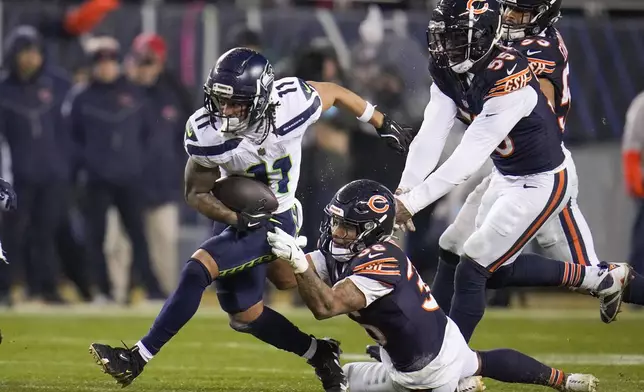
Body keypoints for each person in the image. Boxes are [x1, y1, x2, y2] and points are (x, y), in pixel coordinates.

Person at [88, 47, 414, 391]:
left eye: (236, 103)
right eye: (220, 100)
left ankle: (136, 358)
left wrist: (381, 122)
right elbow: (196, 194)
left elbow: (334, 92)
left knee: (197, 269)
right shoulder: (206, 131)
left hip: (279, 216)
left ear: (261, 98)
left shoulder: (291, 104)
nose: (225, 111)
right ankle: (320, 353)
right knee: (245, 315)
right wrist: (235, 217)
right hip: (240, 217)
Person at [392, 0, 630, 343]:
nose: (446, 48)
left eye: (458, 38)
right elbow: (432, 132)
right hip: (506, 172)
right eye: (443, 38)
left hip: (542, 178)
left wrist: (413, 203)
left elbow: (469, 154)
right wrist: (406, 188)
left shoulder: (514, 70)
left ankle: (445, 359)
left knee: (478, 264)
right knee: (453, 247)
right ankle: (426, 343)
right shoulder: (457, 66)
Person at [267, 179, 599, 392]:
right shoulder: (347, 252)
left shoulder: (382, 259)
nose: (337, 232)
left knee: (348, 382)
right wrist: (267, 238)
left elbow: (326, 307)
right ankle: (564, 381)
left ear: (370, 230)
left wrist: (298, 262)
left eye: (347, 226)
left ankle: (456, 387)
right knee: (475, 361)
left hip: (427, 371)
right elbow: (285, 279)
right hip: (437, 341)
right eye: (336, 222)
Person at [63, 36, 164, 302]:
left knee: (138, 237)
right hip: (95, 179)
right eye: (101, 62)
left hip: (129, 177)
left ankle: (150, 288)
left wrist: (137, 162)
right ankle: (103, 290)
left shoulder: (134, 94)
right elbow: (70, 139)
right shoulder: (80, 97)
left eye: (110, 61)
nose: (106, 67)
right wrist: (84, 166)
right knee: (95, 238)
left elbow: (148, 134)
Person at [0, 26, 72, 304]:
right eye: (24, 52)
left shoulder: (56, 84)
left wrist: (66, 163)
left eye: (35, 52)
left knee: (46, 232)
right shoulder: (4, 90)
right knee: (12, 234)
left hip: (53, 173)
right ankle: (7, 287)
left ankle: (45, 287)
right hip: (16, 175)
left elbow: (68, 129)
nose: (30, 58)